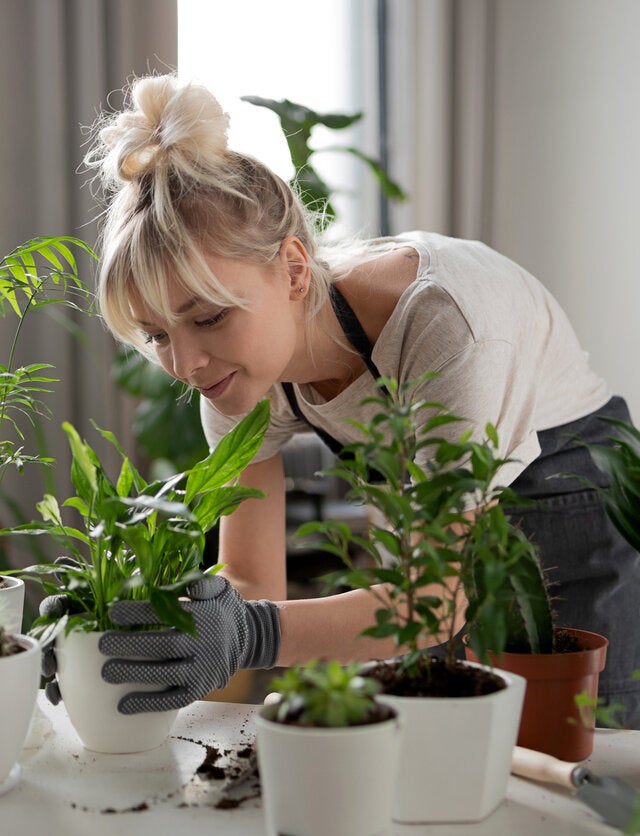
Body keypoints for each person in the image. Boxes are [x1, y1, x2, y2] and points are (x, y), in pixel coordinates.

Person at [45, 73, 640, 723]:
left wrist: (248, 634)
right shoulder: (231, 378)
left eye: (210, 317)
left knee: (577, 751)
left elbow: (431, 601)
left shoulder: (446, 330)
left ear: (294, 270)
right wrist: (120, 636)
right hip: (441, 527)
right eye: (157, 334)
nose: (184, 364)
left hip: (569, 499)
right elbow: (252, 587)